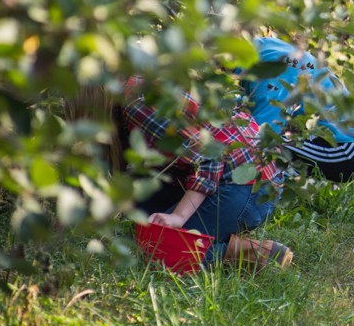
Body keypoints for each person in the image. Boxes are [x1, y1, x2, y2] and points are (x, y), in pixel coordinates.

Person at [123, 77, 293, 270]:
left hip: (247, 185)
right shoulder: (147, 73)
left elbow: (209, 158)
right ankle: (213, 236)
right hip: (249, 172)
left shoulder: (137, 103)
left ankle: (246, 251)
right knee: (137, 224)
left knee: (153, 251)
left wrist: (178, 216)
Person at [241, 36, 354, 183]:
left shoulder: (268, 69)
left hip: (349, 150)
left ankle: (270, 192)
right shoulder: (264, 46)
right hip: (342, 143)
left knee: (268, 142)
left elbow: (260, 136)